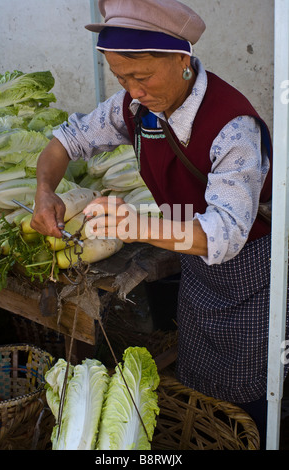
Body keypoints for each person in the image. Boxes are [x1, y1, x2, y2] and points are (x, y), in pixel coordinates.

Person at [31, 0, 287, 448]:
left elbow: (223, 235)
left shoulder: (233, 127)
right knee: (201, 379)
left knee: (252, 389)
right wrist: (45, 191)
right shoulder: (135, 108)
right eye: (121, 79)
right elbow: (66, 140)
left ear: (182, 61)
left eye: (142, 77)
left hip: (254, 270)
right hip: (196, 265)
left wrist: (136, 225)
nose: (132, 91)